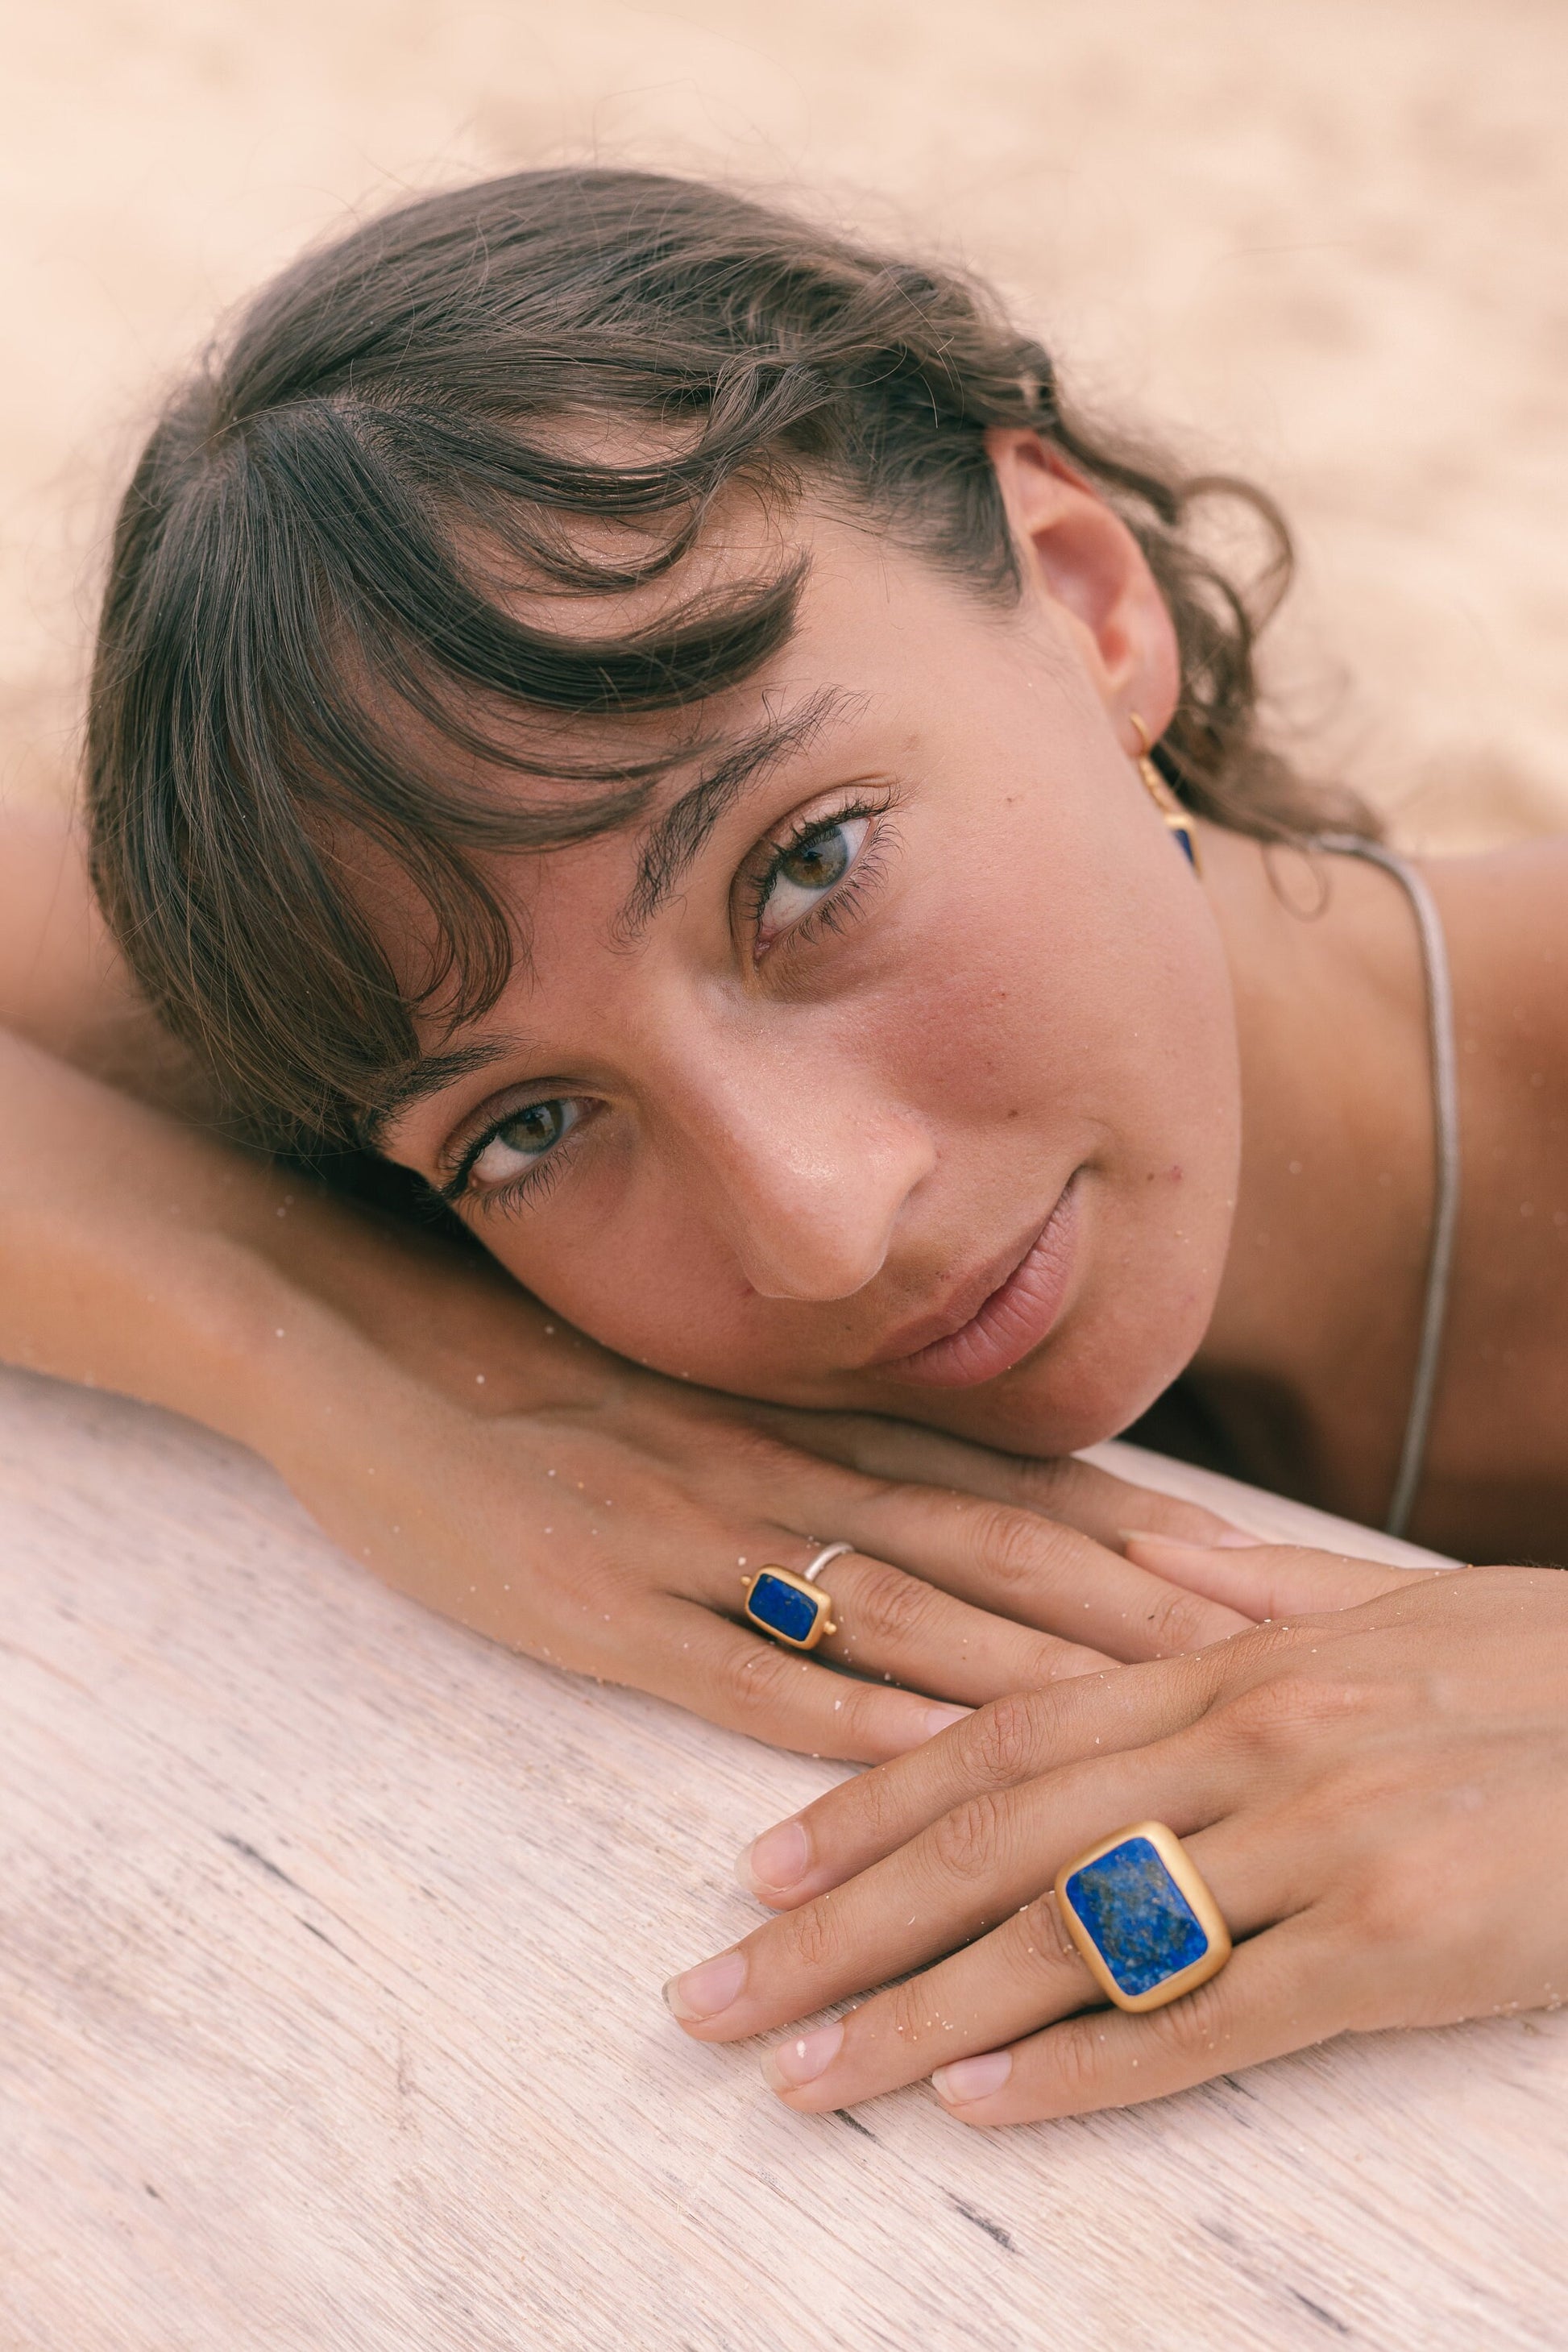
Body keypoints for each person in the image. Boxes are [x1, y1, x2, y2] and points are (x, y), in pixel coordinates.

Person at [8, 167, 1568, 2116]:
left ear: (1087, 600)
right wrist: (345, 1363)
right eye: (532, 1127)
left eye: (808, 865)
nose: (819, 1224)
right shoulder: (396, 885)